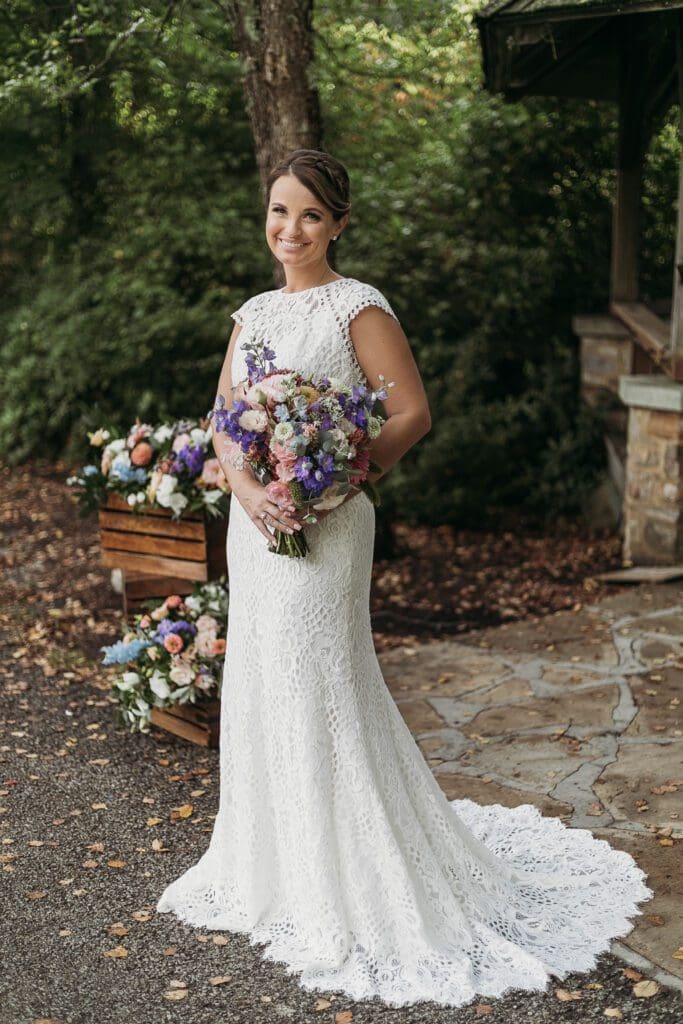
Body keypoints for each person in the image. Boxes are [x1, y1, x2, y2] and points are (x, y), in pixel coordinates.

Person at [156, 149, 653, 1009]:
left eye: (310, 215)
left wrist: (328, 486)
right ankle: (277, 863)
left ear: (338, 224)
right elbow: (223, 420)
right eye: (279, 211)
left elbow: (410, 412)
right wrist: (248, 489)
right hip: (255, 525)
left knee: (323, 683)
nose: (290, 229)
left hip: (325, 524)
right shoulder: (255, 312)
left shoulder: (357, 305)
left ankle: (353, 870)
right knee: (266, 680)